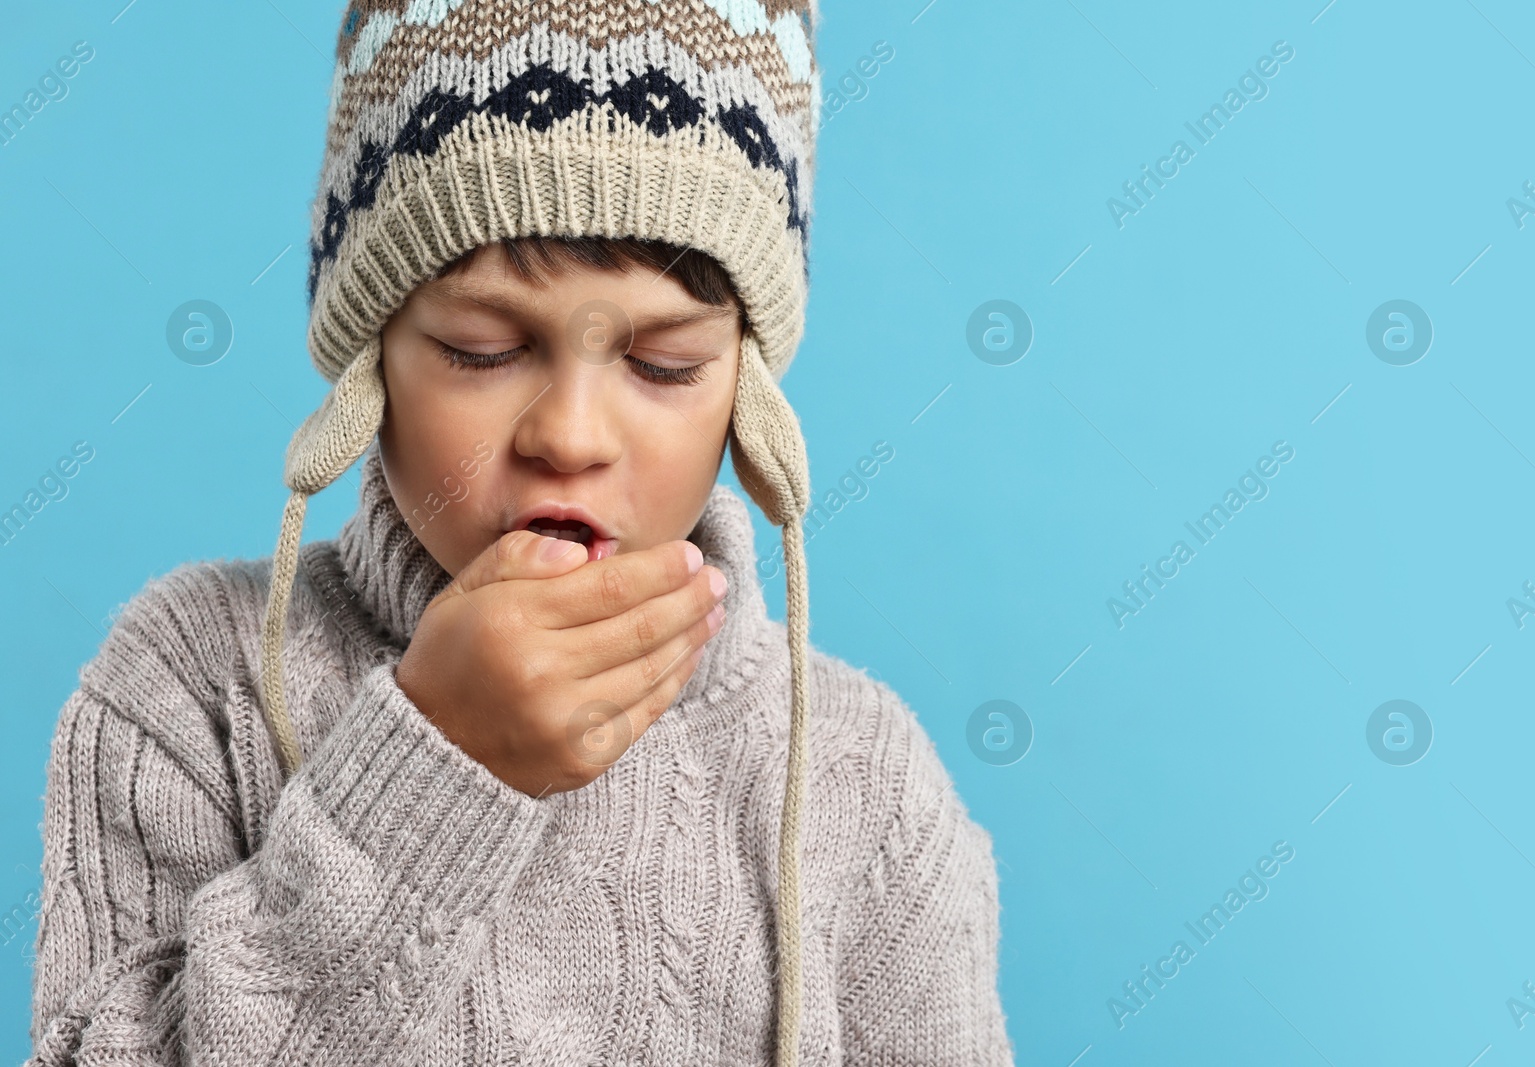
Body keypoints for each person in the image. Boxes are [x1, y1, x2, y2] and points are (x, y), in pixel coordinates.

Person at [27, 2, 1015, 1064]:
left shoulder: (868, 781)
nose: (570, 436)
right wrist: (431, 765)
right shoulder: (186, 688)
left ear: (750, 396)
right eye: (483, 348)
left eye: (664, 365)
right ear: (368, 368)